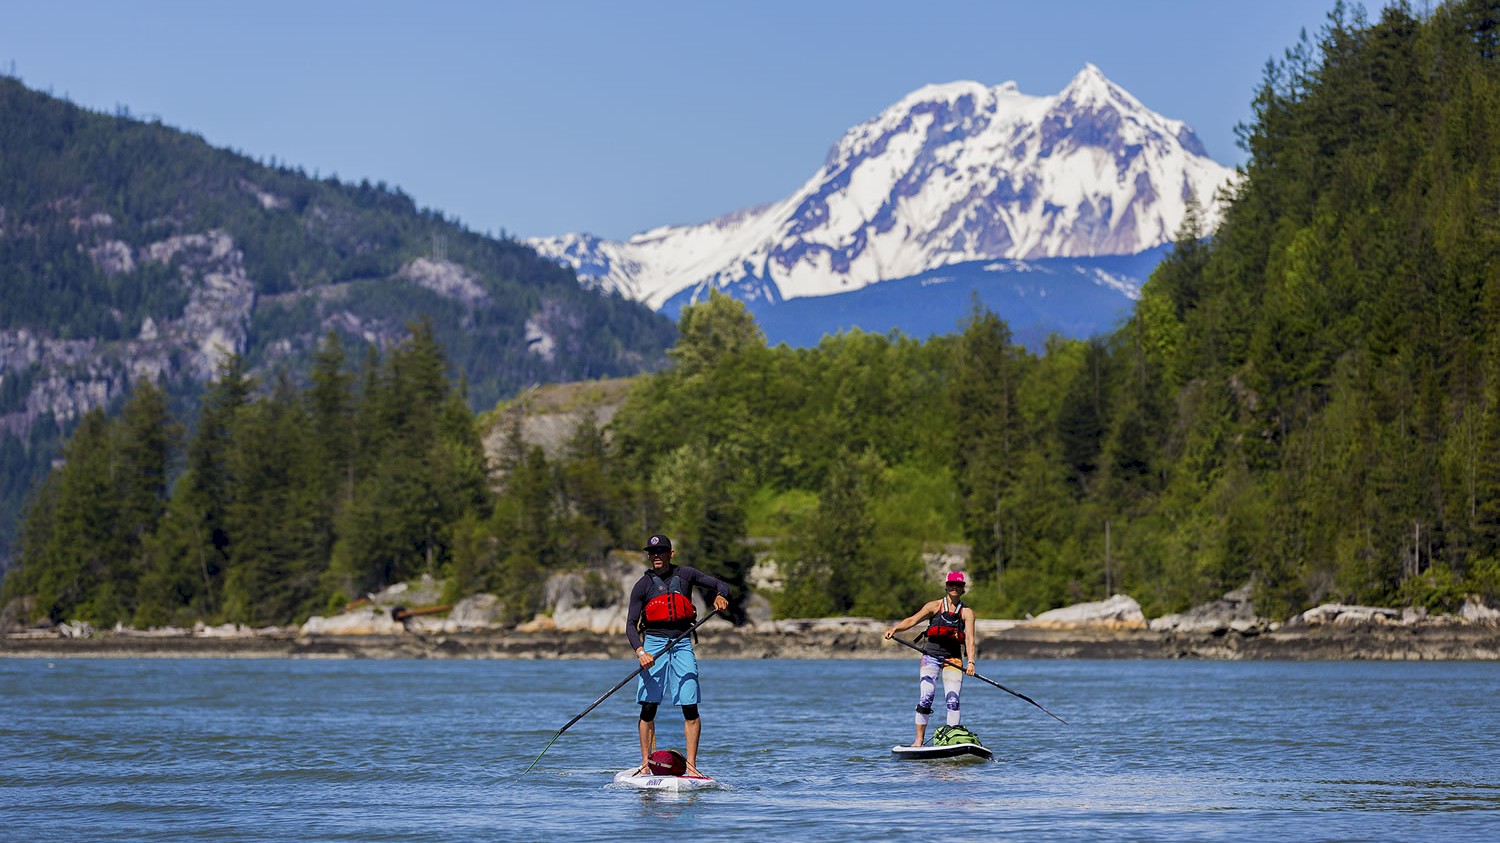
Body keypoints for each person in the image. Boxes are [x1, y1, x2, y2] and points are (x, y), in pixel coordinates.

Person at [626, 533, 731, 776]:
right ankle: (644, 764)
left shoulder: (686, 574)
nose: (656, 556)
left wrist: (721, 596)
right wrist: (641, 652)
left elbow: (721, 585)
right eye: (652, 553)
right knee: (649, 706)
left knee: (690, 706)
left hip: (682, 643)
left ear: (670, 553)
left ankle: (692, 767)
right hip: (653, 644)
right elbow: (630, 625)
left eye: (661, 551)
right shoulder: (643, 585)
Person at [883, 571, 978, 747]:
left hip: (954, 659)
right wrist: (895, 629)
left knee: (953, 699)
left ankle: (952, 740)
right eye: (951, 584)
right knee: (926, 697)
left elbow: (970, 639)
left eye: (958, 585)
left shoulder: (967, 613)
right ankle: (919, 741)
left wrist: (971, 661)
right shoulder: (934, 606)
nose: (954, 588)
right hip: (931, 657)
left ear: (963, 588)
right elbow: (912, 620)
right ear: (946, 586)